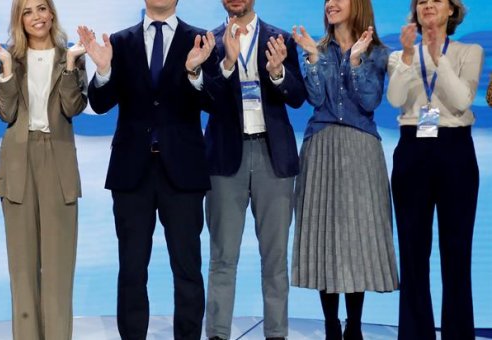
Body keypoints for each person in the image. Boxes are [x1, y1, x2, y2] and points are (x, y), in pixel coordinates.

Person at [77, 0, 218, 338]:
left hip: (182, 171)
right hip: (132, 171)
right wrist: (105, 70)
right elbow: (100, 103)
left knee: (187, 267)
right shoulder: (120, 42)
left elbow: (214, 101)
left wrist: (195, 72)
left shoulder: (201, 40)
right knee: (131, 267)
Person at [291, 0, 399, 338]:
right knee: (325, 234)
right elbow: (316, 97)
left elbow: (369, 101)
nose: (330, 4)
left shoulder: (379, 52)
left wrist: (354, 61)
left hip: (360, 148)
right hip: (320, 145)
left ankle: (354, 325)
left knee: (357, 237)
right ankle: (330, 326)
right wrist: (312, 58)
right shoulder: (316, 48)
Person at [0, 0, 87, 338]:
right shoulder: (10, 58)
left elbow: (73, 106)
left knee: (58, 269)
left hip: (58, 160)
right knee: (23, 270)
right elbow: (6, 112)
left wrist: (70, 64)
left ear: (51, 13)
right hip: (17, 162)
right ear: (20, 20)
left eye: (41, 8)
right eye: (27, 12)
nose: (36, 17)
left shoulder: (70, 55)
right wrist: (6, 68)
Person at [203, 1, 306, 339]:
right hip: (225, 159)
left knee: (275, 259)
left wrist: (278, 73)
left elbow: (296, 97)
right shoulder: (210, 41)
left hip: (272, 157)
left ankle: (276, 333)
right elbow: (206, 99)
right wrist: (229, 64)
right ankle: (217, 333)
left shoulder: (279, 39)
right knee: (222, 256)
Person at [387, 0, 483, 338]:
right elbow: (396, 99)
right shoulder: (400, 55)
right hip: (412, 148)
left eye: (436, 0)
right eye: (421, 1)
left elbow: (460, 100)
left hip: (455, 149)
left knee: (456, 253)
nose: (427, 5)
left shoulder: (468, 51)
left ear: (452, 10)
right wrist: (411, 58)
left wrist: (437, 58)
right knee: (413, 253)